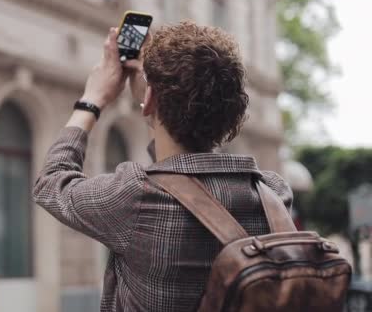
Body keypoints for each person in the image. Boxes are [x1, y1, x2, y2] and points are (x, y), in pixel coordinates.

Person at [32, 21, 292, 311]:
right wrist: (152, 97)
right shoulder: (274, 194)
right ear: (234, 110)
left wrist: (92, 100)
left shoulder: (136, 195)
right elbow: (182, 181)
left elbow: (51, 181)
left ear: (150, 98)